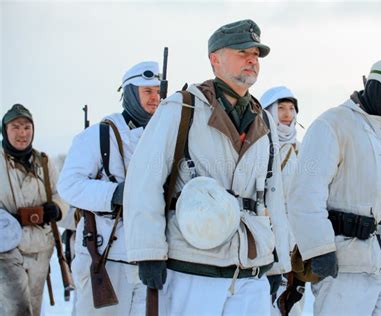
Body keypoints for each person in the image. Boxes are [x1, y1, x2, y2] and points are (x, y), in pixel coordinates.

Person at [124, 19, 291, 315]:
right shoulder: (181, 108)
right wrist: (148, 253)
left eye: (255, 53)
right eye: (242, 52)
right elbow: (144, 182)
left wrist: (278, 262)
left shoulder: (265, 121)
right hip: (194, 266)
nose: (252, 59)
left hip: (252, 266)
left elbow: (273, 195)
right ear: (215, 59)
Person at [288, 58, 381, 315]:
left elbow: (380, 195)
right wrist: (319, 249)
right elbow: (305, 193)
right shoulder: (332, 124)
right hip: (346, 266)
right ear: (375, 89)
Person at [58, 61, 162, 315]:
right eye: (147, 91)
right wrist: (114, 194)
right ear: (130, 94)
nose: (155, 98)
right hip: (106, 258)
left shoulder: (163, 135)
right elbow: (68, 186)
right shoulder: (98, 135)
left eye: (158, 91)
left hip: (148, 260)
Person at [0, 104, 66, 316]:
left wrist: (55, 209)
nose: (22, 133)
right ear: (4, 130)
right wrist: (8, 220)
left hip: (40, 248)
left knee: (33, 308)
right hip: (6, 249)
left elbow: (61, 193)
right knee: (15, 309)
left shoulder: (44, 162)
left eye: (27, 127)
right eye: (16, 127)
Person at [260, 86, 306, 315]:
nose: (287, 114)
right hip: (267, 241)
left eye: (291, 108)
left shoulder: (302, 150)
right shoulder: (259, 146)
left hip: (296, 245)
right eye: (280, 108)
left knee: (293, 305)